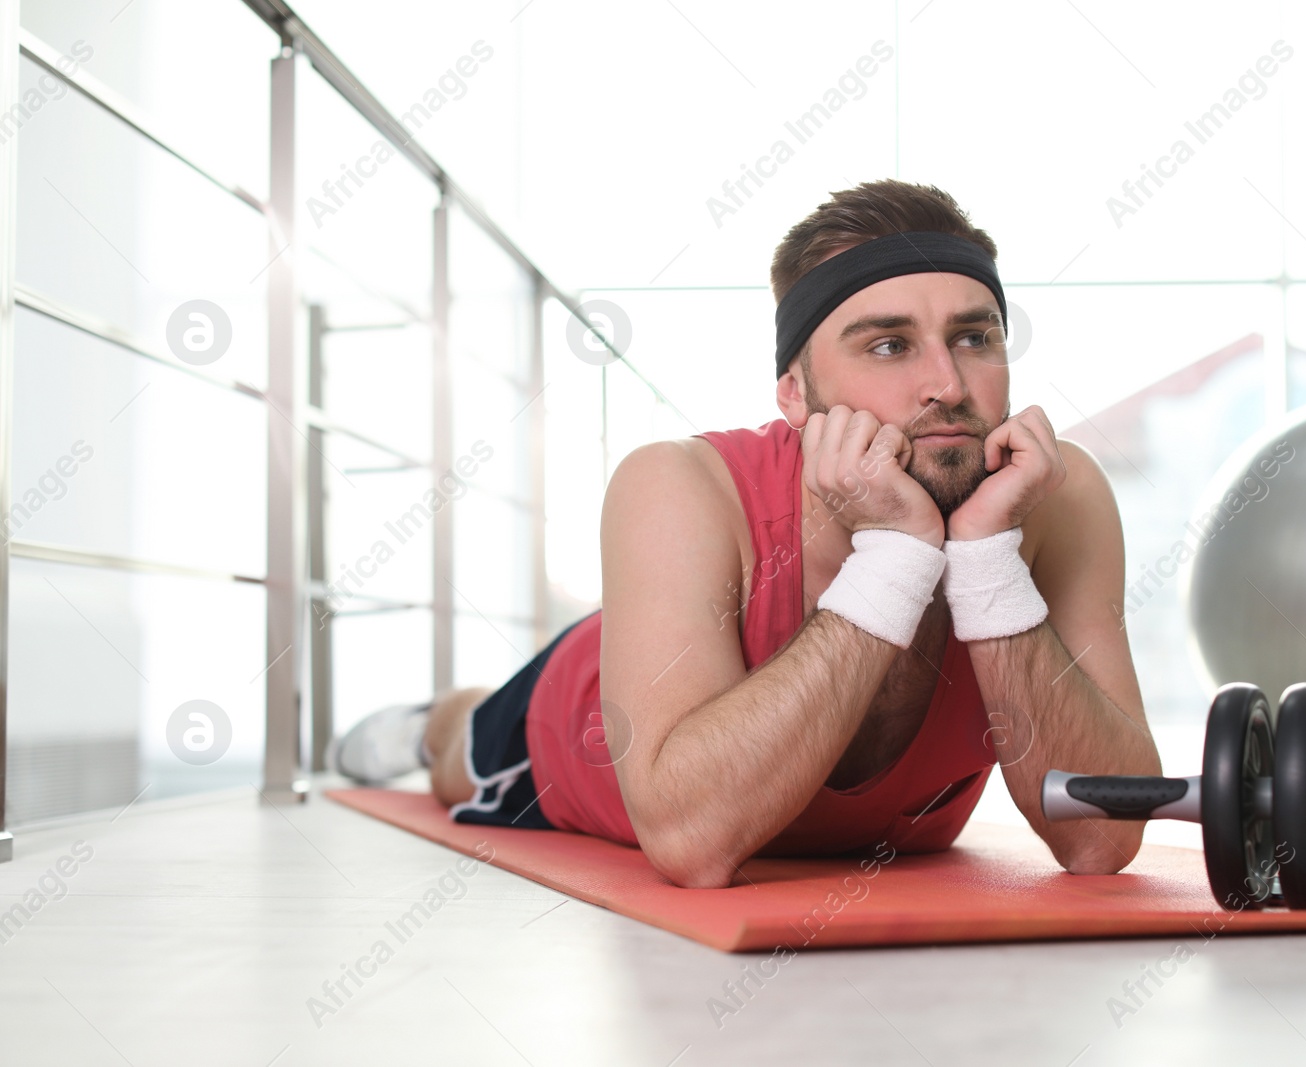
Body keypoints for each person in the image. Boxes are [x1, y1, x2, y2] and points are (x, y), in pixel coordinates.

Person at [328, 178, 1161, 888]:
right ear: (795, 396)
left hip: (851, 807)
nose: (946, 383)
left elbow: (1101, 834)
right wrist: (897, 558)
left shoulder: (1055, 496)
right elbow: (693, 844)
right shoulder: (679, 485)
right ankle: (432, 719)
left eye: (973, 336)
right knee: (458, 752)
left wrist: (982, 560)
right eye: (888, 344)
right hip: (588, 728)